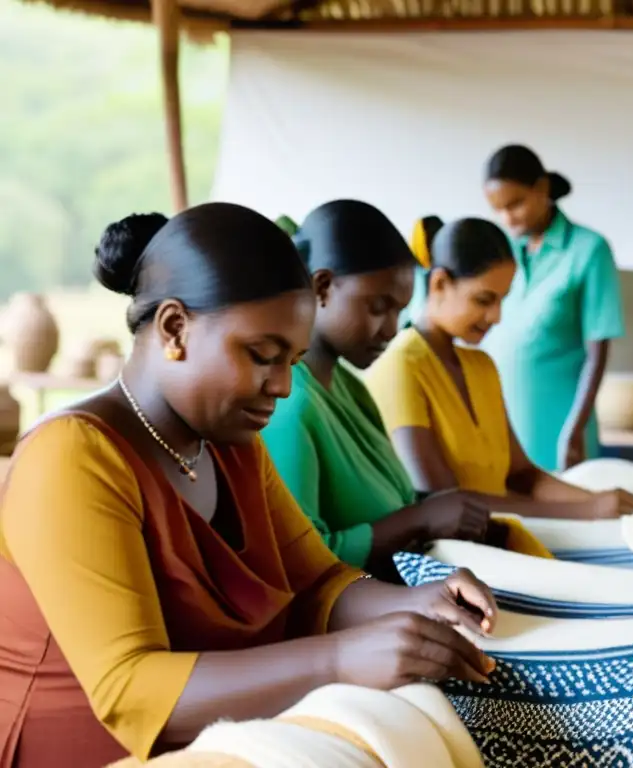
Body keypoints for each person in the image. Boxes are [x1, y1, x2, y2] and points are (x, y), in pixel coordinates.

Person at [0, 203, 497, 768]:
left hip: (221, 739)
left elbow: (316, 581)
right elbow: (130, 687)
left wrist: (417, 605)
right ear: (174, 328)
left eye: (293, 360)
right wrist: (339, 660)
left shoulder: (231, 445)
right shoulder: (71, 457)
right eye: (262, 356)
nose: (283, 386)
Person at [261, 200, 547, 579]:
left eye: (399, 310)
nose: (392, 328)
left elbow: (402, 502)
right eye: (379, 307)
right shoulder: (290, 405)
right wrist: (421, 519)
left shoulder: (348, 386)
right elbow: (301, 562)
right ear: (323, 287)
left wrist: (435, 513)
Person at [365, 217, 633, 521]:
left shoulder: (481, 366)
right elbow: (445, 502)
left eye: (501, 301)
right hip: (458, 553)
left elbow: (523, 476)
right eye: (484, 300)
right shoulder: (401, 365)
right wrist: (585, 510)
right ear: (440, 284)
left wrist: (608, 504)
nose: (496, 316)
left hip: (509, 533)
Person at [480, 145, 625, 472]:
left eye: (515, 204)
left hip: (559, 429)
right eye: (497, 209)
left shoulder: (589, 250)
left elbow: (597, 352)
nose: (507, 217)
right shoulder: (501, 252)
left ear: (542, 189)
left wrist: (575, 429)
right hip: (501, 425)